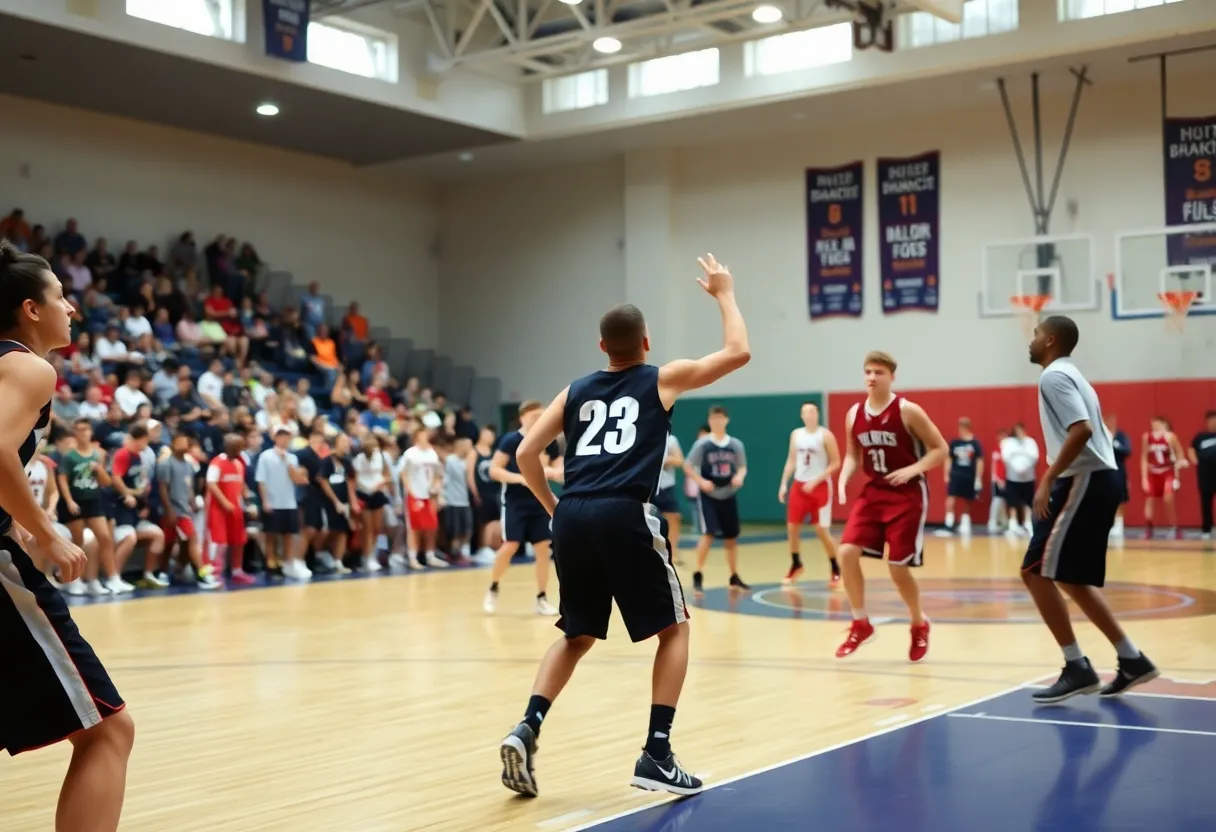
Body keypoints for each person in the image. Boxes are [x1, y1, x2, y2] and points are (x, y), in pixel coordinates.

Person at [498, 253, 750, 798]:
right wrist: (725, 293)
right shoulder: (661, 379)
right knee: (675, 628)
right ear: (647, 342)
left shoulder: (575, 389)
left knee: (576, 633)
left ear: (601, 347)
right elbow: (738, 352)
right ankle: (657, 753)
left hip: (574, 515)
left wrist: (555, 507)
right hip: (623, 511)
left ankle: (527, 727)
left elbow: (525, 454)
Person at [0, 240, 134, 831]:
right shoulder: (28, 366)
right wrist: (46, 532)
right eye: (60, 296)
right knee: (107, 730)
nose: (72, 307)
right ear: (31, 308)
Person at [1022, 316, 1158, 702]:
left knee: (1034, 572)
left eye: (1034, 335)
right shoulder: (1073, 374)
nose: (1029, 342)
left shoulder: (1054, 377)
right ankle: (1132, 659)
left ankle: (1076, 666)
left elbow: (1079, 429)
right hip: (1098, 479)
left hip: (1084, 478)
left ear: (1050, 339)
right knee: (1067, 578)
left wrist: (1049, 477)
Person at [835, 351, 948, 661]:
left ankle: (918, 623)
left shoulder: (908, 411)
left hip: (907, 494)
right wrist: (844, 478)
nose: (872, 377)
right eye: (868, 371)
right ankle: (860, 622)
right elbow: (852, 456)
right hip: (873, 493)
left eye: (879, 372)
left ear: (891, 377)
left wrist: (914, 469)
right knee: (845, 552)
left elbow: (940, 449)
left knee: (897, 568)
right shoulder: (854, 413)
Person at [483, 402, 563, 616]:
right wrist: (522, 478)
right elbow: (494, 470)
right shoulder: (511, 441)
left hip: (539, 501)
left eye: (541, 415)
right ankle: (493, 586)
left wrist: (555, 472)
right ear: (522, 418)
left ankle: (542, 597)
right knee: (510, 546)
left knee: (543, 549)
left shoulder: (549, 441)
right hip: (515, 502)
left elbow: (557, 467)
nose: (538, 418)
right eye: (534, 415)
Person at [686, 406, 748, 593]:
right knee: (708, 534)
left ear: (726, 420)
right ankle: (698, 572)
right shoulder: (703, 444)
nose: (717, 422)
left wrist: (740, 477)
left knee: (731, 537)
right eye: (713, 419)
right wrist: (701, 481)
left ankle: (733, 575)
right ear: (710, 421)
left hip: (728, 493)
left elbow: (743, 467)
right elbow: (688, 465)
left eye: (720, 418)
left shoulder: (735, 444)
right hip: (709, 496)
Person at [777, 401, 840, 587]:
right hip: (799, 486)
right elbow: (791, 460)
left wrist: (816, 480)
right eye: (805, 412)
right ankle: (796, 563)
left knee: (821, 530)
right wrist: (783, 484)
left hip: (819, 487)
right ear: (802, 416)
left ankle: (835, 567)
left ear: (817, 414)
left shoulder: (825, 435)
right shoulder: (796, 434)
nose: (809, 415)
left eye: (812, 411)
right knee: (792, 527)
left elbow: (836, 462)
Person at [157, 431, 222, 590]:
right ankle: (200, 575)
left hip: (185, 510)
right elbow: (163, 489)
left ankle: (174, 571)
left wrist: (192, 501)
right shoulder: (166, 463)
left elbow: (189, 486)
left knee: (184, 542)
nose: (183, 444)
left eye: (186, 442)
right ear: (172, 444)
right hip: (173, 510)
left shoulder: (188, 464)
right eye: (180, 441)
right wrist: (169, 509)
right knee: (178, 542)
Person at [109, 423, 168, 590]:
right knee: (129, 538)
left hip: (135, 509)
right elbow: (116, 478)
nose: (146, 444)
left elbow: (140, 482)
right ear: (139, 440)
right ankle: (114, 577)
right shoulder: (123, 454)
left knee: (158, 535)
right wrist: (127, 493)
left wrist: (144, 501)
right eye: (145, 441)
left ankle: (148, 575)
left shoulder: (139, 457)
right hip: (120, 508)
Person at [255, 425, 311, 580]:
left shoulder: (292, 458)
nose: (285, 439)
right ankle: (271, 564)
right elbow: (261, 481)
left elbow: (298, 480)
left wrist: (287, 462)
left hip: (289, 502)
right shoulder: (266, 456)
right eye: (282, 436)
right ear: (275, 438)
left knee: (288, 535)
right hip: (273, 502)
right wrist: (265, 501)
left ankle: (287, 563)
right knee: (271, 536)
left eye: (287, 437)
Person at [206, 434, 254, 585]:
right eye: (238, 446)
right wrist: (225, 502)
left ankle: (237, 571)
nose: (240, 449)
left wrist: (248, 501)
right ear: (229, 447)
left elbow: (241, 485)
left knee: (239, 540)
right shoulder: (217, 462)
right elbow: (211, 484)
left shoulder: (239, 464)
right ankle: (215, 573)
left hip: (235, 508)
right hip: (218, 509)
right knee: (220, 542)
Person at [401, 425, 447, 569]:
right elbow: (403, 474)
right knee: (414, 528)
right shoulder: (410, 454)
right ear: (416, 437)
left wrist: (436, 489)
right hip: (415, 494)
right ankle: (413, 558)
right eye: (422, 435)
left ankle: (430, 555)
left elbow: (437, 473)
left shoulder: (431, 453)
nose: (425, 437)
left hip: (429, 494)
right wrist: (411, 492)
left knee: (432, 526)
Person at [937, 417, 983, 538]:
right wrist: (946, 474)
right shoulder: (954, 443)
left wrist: (978, 478)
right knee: (951, 497)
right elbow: (948, 459)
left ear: (966, 428)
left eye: (961, 427)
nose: (959, 430)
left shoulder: (975, 444)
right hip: (956, 475)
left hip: (969, 476)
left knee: (968, 499)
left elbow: (979, 461)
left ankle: (965, 522)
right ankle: (949, 524)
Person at [317, 432, 355, 574]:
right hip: (328, 502)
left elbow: (350, 482)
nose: (347, 444)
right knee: (328, 530)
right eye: (343, 441)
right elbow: (323, 481)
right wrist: (335, 501)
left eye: (347, 441)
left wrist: (351, 503)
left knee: (342, 531)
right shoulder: (327, 461)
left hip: (344, 501)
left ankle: (338, 562)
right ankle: (319, 554)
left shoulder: (347, 461)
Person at [1141, 417, 1185, 540]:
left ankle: (1175, 526)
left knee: (1168, 499)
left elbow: (1180, 454)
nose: (1155, 425)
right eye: (1153, 423)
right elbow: (1144, 458)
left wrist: (1177, 476)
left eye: (1158, 423)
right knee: (1150, 500)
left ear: (1164, 424)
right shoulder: (1147, 437)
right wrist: (1144, 478)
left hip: (1167, 471)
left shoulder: (1171, 437)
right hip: (1153, 472)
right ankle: (1149, 527)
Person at [651, 433, 685, 567]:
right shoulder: (642, 435)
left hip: (666, 486)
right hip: (649, 484)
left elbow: (679, 460)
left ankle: (673, 552)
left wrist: (662, 459)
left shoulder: (670, 439)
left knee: (674, 517)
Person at [469, 425, 501, 562]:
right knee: (483, 521)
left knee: (495, 520)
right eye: (488, 434)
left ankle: (493, 547)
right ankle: (483, 547)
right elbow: (469, 475)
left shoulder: (494, 453)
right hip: (480, 492)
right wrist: (474, 492)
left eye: (492, 435)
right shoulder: (474, 452)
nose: (490, 438)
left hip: (493, 491)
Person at [1001, 423, 1039, 538]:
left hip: (1028, 478)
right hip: (1013, 478)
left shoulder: (1030, 442)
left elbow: (1034, 456)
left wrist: (1024, 468)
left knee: (1028, 502)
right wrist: (1016, 468)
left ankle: (1028, 523)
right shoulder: (1008, 442)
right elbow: (1006, 456)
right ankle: (1013, 524)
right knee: (1012, 501)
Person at [441, 435, 475, 564]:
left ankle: (462, 552)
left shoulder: (468, 461)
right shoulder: (450, 460)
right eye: (467, 445)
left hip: (465, 500)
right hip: (453, 500)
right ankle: (453, 553)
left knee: (467, 529)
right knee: (454, 531)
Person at [1103, 413, 1132, 539]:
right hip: (1104, 471)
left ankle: (1119, 525)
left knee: (1120, 498)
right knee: (1104, 498)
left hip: (1119, 471)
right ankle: (1107, 524)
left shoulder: (1121, 436)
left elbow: (1127, 451)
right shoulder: (1100, 436)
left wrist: (1113, 444)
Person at [1189, 411, 1216, 540]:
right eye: (1211, 421)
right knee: (1205, 502)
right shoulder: (1201, 437)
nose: (1213, 423)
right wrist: (1194, 460)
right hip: (1205, 474)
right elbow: (1191, 449)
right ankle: (1206, 528)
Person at [987, 428, 1010, 533]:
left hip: (1007, 479)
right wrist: (998, 479)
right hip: (998, 480)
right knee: (997, 500)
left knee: (1004, 501)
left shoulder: (1008, 451)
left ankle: (1004, 522)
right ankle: (992, 522)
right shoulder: (997, 451)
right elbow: (996, 467)